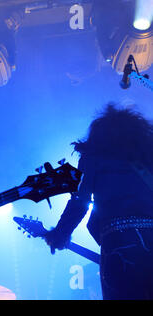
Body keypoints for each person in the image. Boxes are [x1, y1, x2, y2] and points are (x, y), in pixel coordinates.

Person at [45, 104, 153, 300]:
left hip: (118, 244)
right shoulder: (148, 157)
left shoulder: (93, 158)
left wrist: (60, 233)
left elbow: (80, 201)